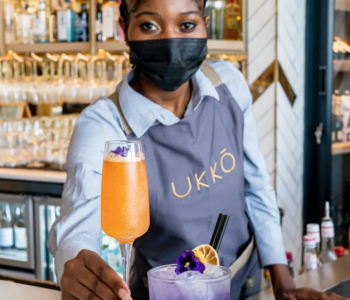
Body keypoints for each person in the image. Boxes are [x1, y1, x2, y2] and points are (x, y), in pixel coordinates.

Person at [48, 0, 346, 300]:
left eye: (187, 25)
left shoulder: (228, 86)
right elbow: (78, 224)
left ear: (204, 24)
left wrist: (284, 284)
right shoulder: (105, 124)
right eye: (149, 26)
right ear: (124, 29)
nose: (170, 42)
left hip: (246, 285)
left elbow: (256, 189)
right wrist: (77, 265)